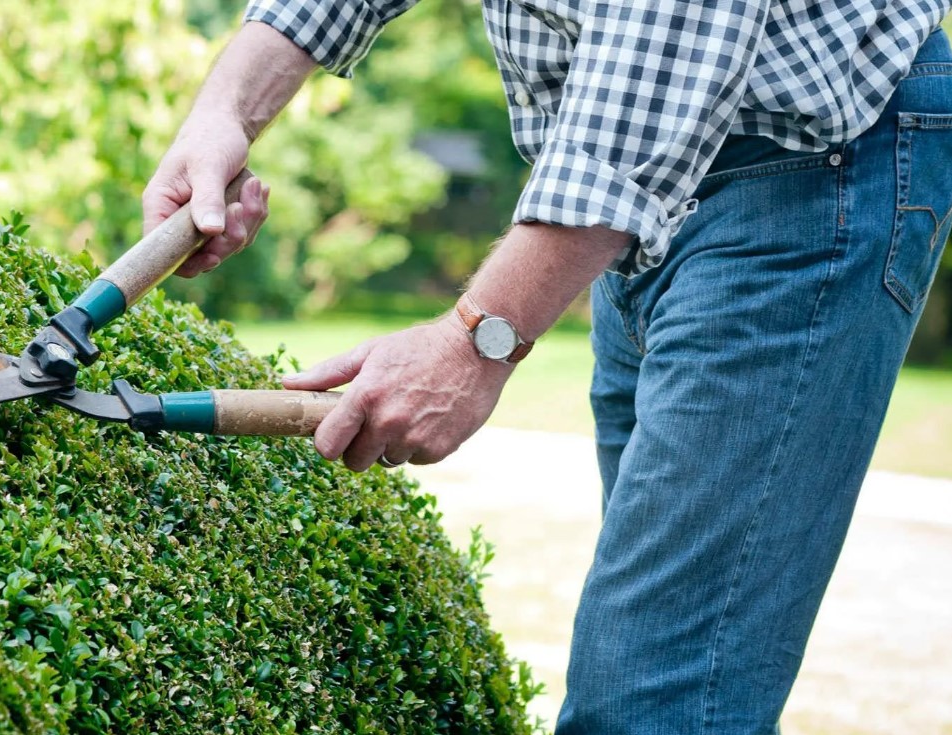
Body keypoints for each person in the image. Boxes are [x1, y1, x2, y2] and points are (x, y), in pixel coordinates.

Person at [141, 1, 952, 731]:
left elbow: (666, 50)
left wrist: (473, 337)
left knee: (653, 698)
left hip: (805, 172)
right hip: (642, 199)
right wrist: (223, 113)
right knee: (674, 669)